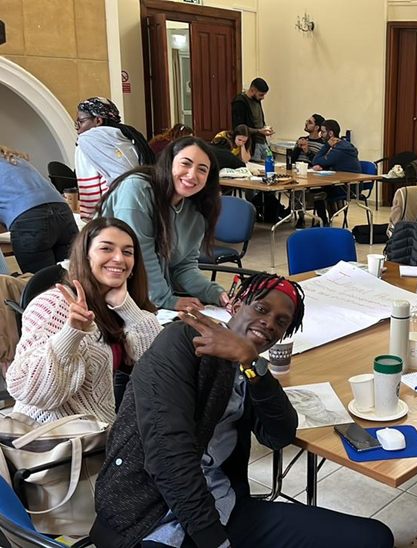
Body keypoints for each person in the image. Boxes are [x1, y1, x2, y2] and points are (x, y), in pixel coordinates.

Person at [90, 273, 394, 548]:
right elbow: (168, 457)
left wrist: (253, 365)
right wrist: (216, 541)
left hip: (222, 507)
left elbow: (279, 435)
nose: (269, 323)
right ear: (235, 305)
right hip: (148, 518)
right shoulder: (184, 341)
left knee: (374, 537)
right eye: (261, 309)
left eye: (281, 322)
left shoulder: (247, 367)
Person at [6, 217, 160, 424]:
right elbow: (29, 390)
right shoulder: (53, 304)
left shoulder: (117, 304)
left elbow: (157, 366)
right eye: (106, 249)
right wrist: (70, 333)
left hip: (96, 430)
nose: (118, 258)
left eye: (127, 252)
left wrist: (127, 307)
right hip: (51, 434)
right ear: (85, 256)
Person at [97, 136, 228, 311]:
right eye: (185, 163)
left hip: (146, 298)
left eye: (202, 169)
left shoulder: (195, 211)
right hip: (105, 293)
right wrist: (167, 300)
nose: (192, 174)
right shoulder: (137, 189)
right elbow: (141, 254)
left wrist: (216, 294)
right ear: (169, 163)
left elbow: (183, 267)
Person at [0, 146, 79, 273]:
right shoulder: (12, 159)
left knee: (44, 282)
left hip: (30, 221)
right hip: (63, 212)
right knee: (74, 276)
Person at [75, 97, 154, 220]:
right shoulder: (127, 136)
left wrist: (90, 218)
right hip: (144, 200)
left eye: (81, 121)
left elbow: (89, 187)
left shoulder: (87, 139)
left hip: (116, 207)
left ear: (98, 120)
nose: (78, 127)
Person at [312, 119, 362, 221]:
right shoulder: (343, 145)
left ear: (330, 134)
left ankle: (324, 221)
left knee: (316, 191)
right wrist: (323, 166)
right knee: (318, 188)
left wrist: (327, 146)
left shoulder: (339, 150)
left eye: (323, 132)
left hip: (347, 187)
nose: (321, 135)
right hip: (347, 183)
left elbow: (315, 160)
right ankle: (326, 218)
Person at [231, 78, 274, 161]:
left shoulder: (257, 100)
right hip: (251, 144)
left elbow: (258, 120)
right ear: (252, 91)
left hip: (262, 141)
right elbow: (239, 128)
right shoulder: (239, 102)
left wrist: (265, 129)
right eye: (261, 95)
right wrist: (259, 131)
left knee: (270, 164)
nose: (263, 97)